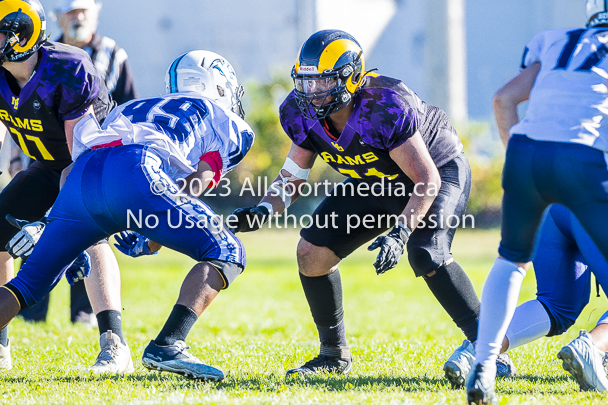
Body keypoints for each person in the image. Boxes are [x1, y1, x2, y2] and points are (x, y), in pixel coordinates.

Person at [230, 29, 513, 379]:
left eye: (322, 82)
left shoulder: (384, 106)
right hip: (376, 182)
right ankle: (334, 356)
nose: (312, 92)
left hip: (434, 172)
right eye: (306, 82)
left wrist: (400, 233)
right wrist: (263, 210)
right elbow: (292, 177)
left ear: (351, 77)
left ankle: (489, 351)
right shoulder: (299, 112)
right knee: (311, 253)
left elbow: (427, 181)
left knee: (427, 253)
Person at [0, 49, 253, 382]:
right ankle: (168, 344)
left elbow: (71, 170)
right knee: (227, 251)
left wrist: (61, 224)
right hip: (136, 171)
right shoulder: (225, 121)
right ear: (220, 86)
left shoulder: (132, 108)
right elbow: (195, 183)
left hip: (82, 173)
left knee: (27, 285)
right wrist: (153, 234)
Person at [0, 0, 131, 373]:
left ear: (19, 37)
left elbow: (80, 161)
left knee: (88, 235)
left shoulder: (67, 70)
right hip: (50, 163)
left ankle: (114, 346)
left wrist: (49, 224)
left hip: (96, 164)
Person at [466, 2, 608, 403]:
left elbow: (502, 100)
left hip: (529, 160)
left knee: (520, 271)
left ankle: (481, 360)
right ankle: (593, 348)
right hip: (582, 167)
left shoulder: (556, 41)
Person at [12, 0, 139, 326]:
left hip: (92, 163)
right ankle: (31, 311)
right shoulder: (39, 50)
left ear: (95, 11)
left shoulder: (113, 53)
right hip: (43, 160)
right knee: (34, 228)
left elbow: (127, 109)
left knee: (89, 232)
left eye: (82, 10)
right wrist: (14, 158)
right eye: (70, 11)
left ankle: (85, 313)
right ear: (57, 17)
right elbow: (14, 109)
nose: (77, 17)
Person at [497, 204, 608, 392]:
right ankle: (593, 348)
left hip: (549, 205)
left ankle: (476, 352)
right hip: (593, 200)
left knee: (556, 305)